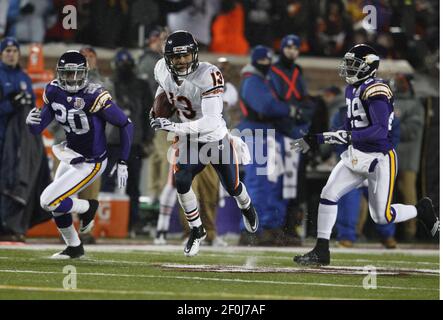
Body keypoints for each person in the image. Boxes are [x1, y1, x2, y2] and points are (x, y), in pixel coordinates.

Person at [292, 44, 440, 265]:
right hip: (356, 155)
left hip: (379, 159)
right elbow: (348, 126)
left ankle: (422, 210)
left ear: (368, 67)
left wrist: (339, 137)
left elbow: (380, 130)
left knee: (381, 216)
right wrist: (319, 138)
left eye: (354, 65)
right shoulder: (352, 89)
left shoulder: (377, 90)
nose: (349, 69)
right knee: (328, 193)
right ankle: (321, 250)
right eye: (349, 64)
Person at [149, 30, 258, 257]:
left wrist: (175, 127)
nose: (180, 61)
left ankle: (247, 207)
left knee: (233, 187)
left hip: (214, 138)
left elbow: (209, 122)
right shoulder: (161, 68)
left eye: (185, 56)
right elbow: (163, 87)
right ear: (168, 58)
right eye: (176, 57)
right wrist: (157, 108)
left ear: (194, 54)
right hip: (190, 140)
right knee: (181, 180)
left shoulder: (208, 74)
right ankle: (197, 229)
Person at [26, 50, 134, 259]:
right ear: (59, 73)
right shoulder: (54, 91)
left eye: (76, 74)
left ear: (85, 73)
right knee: (57, 204)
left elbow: (125, 124)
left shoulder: (94, 95)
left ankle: (88, 207)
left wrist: (123, 160)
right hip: (70, 152)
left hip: (91, 161)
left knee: (48, 201)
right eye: (67, 73)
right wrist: (30, 123)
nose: (72, 79)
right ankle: (74, 247)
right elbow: (38, 129)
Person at [0, 37, 51, 240]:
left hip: (20, 142)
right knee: (5, 183)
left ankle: (13, 226)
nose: (11, 53)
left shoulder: (24, 77)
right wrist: (10, 104)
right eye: (7, 50)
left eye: (14, 50)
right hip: (2, 138)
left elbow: (31, 112)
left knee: (18, 181)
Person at [101, 49, 152, 234]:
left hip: (133, 142)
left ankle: (133, 222)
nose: (124, 68)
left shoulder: (141, 86)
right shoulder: (109, 85)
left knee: (133, 186)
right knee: (107, 182)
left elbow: (148, 114)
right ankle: (103, 221)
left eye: (127, 64)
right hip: (112, 140)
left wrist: (148, 139)